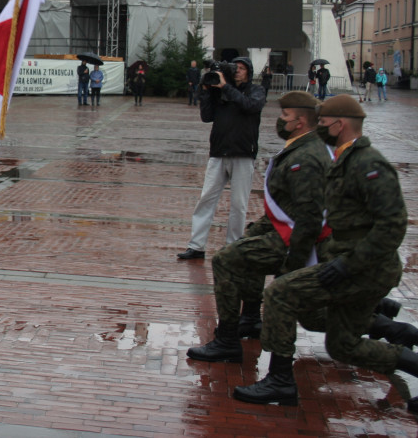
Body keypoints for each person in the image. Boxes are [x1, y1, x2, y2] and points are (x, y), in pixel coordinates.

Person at [233, 95, 416, 410]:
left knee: (281, 293)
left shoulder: (368, 164)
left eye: (324, 123)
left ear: (340, 125)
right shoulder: (343, 158)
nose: (319, 128)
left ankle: (280, 381)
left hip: (365, 268)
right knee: (343, 345)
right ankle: (404, 345)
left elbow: (392, 225)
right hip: (349, 262)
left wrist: (346, 264)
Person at [186, 91, 329, 359]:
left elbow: (309, 218)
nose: (280, 120)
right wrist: (254, 233)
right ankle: (250, 319)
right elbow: (284, 208)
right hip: (290, 235)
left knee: (226, 260)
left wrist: (292, 267)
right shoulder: (301, 147)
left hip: (302, 245)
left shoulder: (307, 156)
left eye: (285, 116)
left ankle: (227, 340)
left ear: (300, 122)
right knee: (245, 246)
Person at [177, 57, 265, 260]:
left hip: (243, 154)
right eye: (236, 68)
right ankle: (196, 245)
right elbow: (207, 116)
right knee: (206, 199)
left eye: (242, 69)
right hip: (218, 152)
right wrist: (207, 91)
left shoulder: (256, 91)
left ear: (249, 72)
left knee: (238, 204)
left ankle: (232, 246)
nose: (238, 72)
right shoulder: (220, 91)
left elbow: (250, 106)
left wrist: (226, 88)